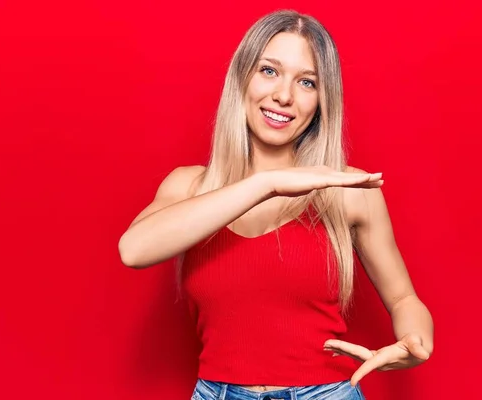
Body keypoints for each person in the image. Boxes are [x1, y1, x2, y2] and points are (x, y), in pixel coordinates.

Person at [119, 9, 434, 400]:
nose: (284, 95)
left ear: (322, 100)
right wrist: (266, 182)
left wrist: (415, 340)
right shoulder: (189, 186)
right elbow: (133, 250)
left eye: (307, 82)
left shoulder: (349, 188)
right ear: (242, 77)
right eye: (269, 71)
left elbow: (405, 299)